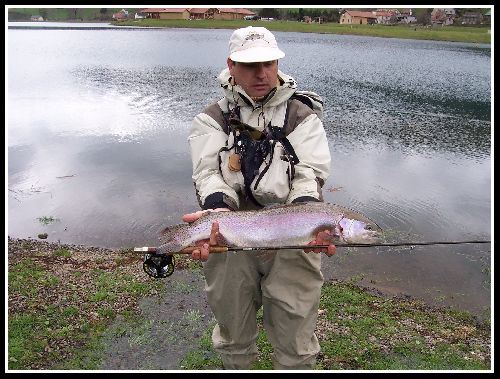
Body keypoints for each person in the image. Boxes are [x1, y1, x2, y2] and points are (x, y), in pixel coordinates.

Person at [182, 26, 336, 370]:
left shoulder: (303, 116)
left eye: (268, 63)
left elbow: (309, 174)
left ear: (277, 63)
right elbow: (206, 173)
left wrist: (306, 217)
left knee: (297, 340)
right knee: (233, 332)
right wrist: (217, 210)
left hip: (292, 235)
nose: (261, 73)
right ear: (231, 66)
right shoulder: (211, 119)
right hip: (230, 235)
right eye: (250, 65)